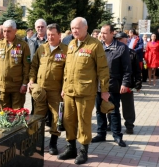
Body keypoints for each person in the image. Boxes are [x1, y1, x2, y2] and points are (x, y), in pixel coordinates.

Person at [57, 17, 109, 165]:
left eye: (77, 28)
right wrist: (63, 88)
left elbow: (103, 69)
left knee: (84, 121)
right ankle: (71, 148)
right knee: (68, 120)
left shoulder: (95, 45)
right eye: (72, 28)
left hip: (86, 91)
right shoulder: (71, 44)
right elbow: (67, 69)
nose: (74, 31)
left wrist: (104, 90)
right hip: (69, 91)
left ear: (86, 28)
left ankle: (83, 151)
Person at [28, 23, 67, 155]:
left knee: (57, 118)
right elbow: (33, 66)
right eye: (48, 35)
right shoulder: (42, 49)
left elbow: (68, 72)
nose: (50, 37)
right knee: (38, 117)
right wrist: (31, 81)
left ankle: (53, 144)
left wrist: (65, 88)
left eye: (53, 35)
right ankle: (37, 143)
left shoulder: (66, 50)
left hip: (57, 91)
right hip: (41, 91)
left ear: (59, 35)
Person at [92, 24, 131, 148]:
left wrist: (125, 83)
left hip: (114, 85)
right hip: (99, 85)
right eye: (101, 33)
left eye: (105, 33)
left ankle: (117, 135)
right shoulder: (98, 46)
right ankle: (101, 133)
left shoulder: (121, 48)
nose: (102, 35)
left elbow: (127, 68)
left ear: (112, 33)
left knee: (113, 111)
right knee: (99, 111)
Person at [0, 20, 30, 109]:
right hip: (2, 86)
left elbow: (26, 66)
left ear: (15, 31)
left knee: (17, 113)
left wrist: (24, 84)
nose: (6, 34)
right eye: (4, 31)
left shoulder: (23, 45)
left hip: (17, 86)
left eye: (9, 31)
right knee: (3, 113)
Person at [114, 32, 142, 134]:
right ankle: (112, 124)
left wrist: (138, 83)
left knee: (128, 106)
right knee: (112, 106)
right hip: (114, 84)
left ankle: (129, 125)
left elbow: (137, 70)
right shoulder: (110, 52)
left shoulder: (132, 53)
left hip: (127, 84)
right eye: (118, 40)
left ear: (126, 41)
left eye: (122, 40)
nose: (119, 42)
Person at [27, 19, 48, 117]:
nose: (40, 28)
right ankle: (35, 116)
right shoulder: (30, 40)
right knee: (35, 96)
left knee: (47, 97)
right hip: (33, 72)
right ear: (35, 28)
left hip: (46, 73)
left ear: (46, 27)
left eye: (42, 27)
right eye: (38, 27)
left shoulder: (50, 39)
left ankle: (47, 119)